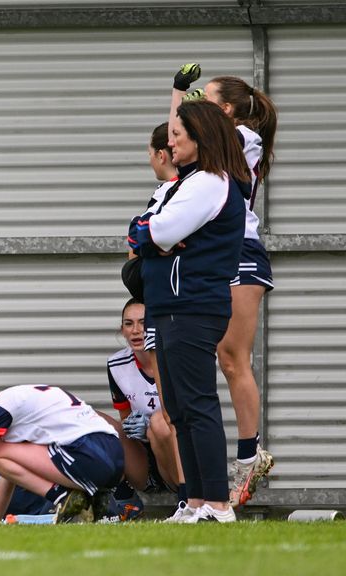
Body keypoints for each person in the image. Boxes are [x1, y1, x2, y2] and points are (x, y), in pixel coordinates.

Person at [128, 98, 249, 523]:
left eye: (177, 135)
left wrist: (153, 233)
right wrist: (150, 232)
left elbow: (158, 230)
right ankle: (195, 501)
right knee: (178, 408)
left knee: (197, 405)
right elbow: (140, 230)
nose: (171, 142)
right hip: (171, 305)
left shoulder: (210, 182)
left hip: (193, 305)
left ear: (200, 139)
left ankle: (217, 502)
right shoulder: (187, 181)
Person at [175, 67, 279, 508]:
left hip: (241, 253)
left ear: (227, 109)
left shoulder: (241, 138)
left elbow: (191, 136)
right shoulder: (218, 136)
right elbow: (178, 136)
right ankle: (198, 490)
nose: (197, 101)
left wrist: (182, 100)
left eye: (205, 96)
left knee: (233, 357)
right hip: (216, 254)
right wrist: (177, 92)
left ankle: (249, 455)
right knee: (212, 356)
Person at [0, 387, 124, 524]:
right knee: (1, 458)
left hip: (90, 455)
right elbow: (8, 477)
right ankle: (96, 494)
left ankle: (63, 495)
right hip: (114, 456)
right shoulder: (18, 405)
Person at [107, 298, 184, 520]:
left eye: (143, 322)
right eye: (129, 324)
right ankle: (123, 498)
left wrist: (151, 428)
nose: (136, 330)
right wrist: (134, 428)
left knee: (160, 422)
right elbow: (126, 420)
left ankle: (186, 496)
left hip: (178, 457)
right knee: (97, 420)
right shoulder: (116, 365)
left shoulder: (174, 359)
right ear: (122, 330)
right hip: (145, 463)